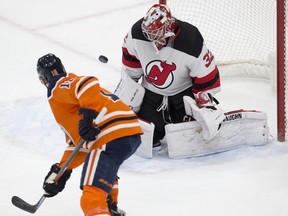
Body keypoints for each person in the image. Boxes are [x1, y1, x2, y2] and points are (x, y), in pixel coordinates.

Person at [37, 53, 143, 216]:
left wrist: (86, 118)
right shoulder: (71, 97)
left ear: (44, 77)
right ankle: (110, 207)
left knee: (91, 193)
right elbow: (79, 142)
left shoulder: (57, 85)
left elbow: (88, 82)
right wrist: (61, 171)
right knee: (105, 166)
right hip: (129, 132)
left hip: (111, 133)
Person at [115, 4, 223, 151]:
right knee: (145, 138)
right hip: (152, 94)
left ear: (168, 27)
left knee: (189, 139)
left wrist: (204, 102)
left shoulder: (190, 40)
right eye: (149, 32)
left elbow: (205, 75)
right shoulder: (136, 34)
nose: (150, 36)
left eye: (156, 32)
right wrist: (125, 102)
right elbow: (131, 72)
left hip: (183, 95)